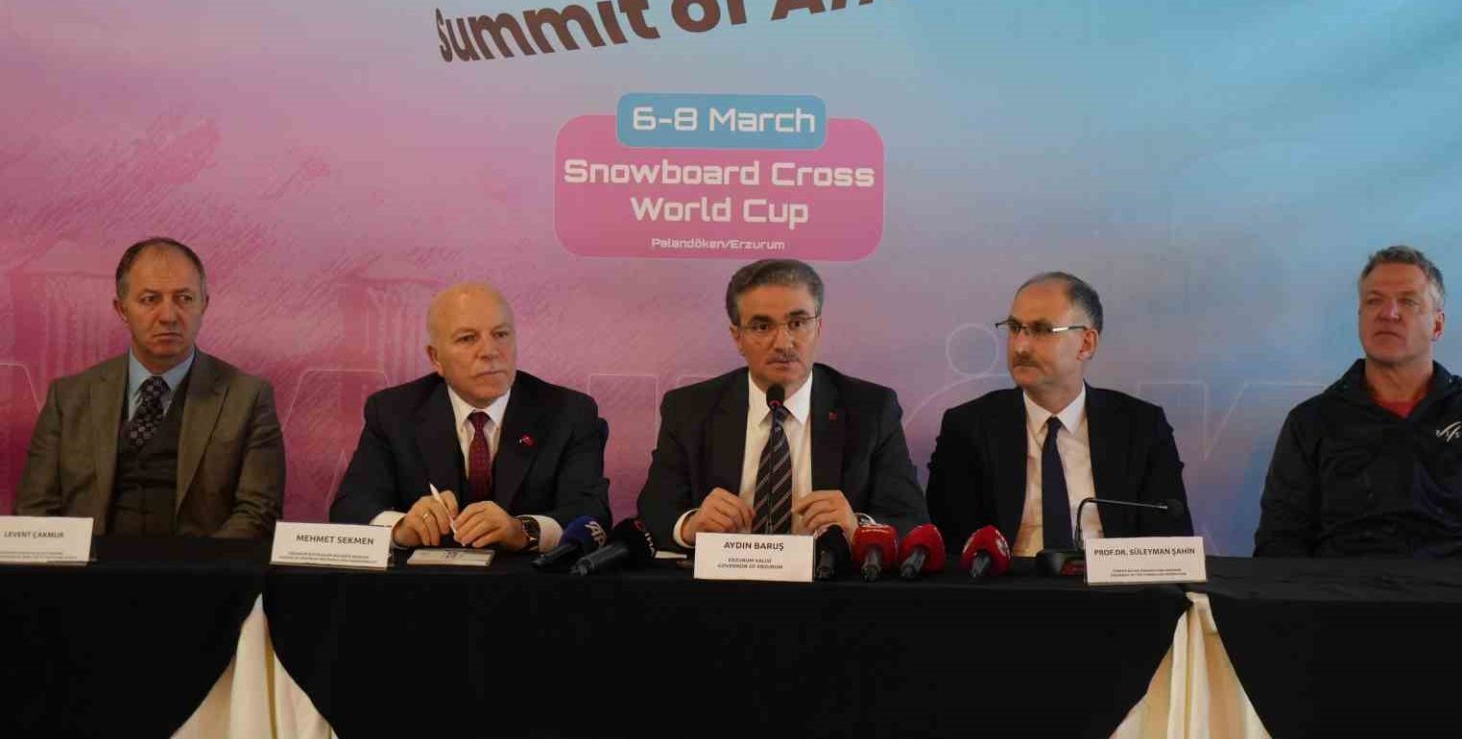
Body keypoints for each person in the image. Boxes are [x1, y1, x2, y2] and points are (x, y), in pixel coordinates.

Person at [1255, 246, 1462, 557]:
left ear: (1438, 325)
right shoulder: (1310, 423)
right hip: (1345, 588)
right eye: (1374, 301)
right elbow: (1279, 543)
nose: (1388, 313)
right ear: (1360, 318)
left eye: (1408, 301)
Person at [637, 259, 926, 549]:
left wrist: (858, 528)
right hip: (724, 576)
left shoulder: (871, 410)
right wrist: (690, 526)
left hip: (828, 576)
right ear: (737, 337)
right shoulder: (689, 409)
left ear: (819, 327)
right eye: (762, 326)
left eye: (797, 324)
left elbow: (911, 520)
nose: (783, 343)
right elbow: (654, 512)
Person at [14, 237, 285, 537]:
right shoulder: (68, 399)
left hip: (201, 564)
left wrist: (202, 565)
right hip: (89, 565)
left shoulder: (248, 398)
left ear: (204, 305)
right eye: (150, 299)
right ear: (121, 309)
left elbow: (257, 513)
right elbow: (34, 513)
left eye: (184, 298)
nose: (168, 316)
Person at [926, 271, 1193, 555]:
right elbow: (952, 548)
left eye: (1042, 330)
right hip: (1008, 581)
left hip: (1112, 581)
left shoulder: (1141, 427)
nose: (1020, 346)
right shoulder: (969, 428)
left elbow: (1170, 546)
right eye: (1014, 328)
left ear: (1086, 344)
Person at [330, 282, 610, 551]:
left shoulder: (569, 413)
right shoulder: (393, 412)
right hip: (424, 579)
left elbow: (592, 515)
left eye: (501, 334)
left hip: (530, 579)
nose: (490, 352)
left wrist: (523, 531)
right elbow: (350, 507)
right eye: (467, 338)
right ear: (436, 358)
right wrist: (401, 529)